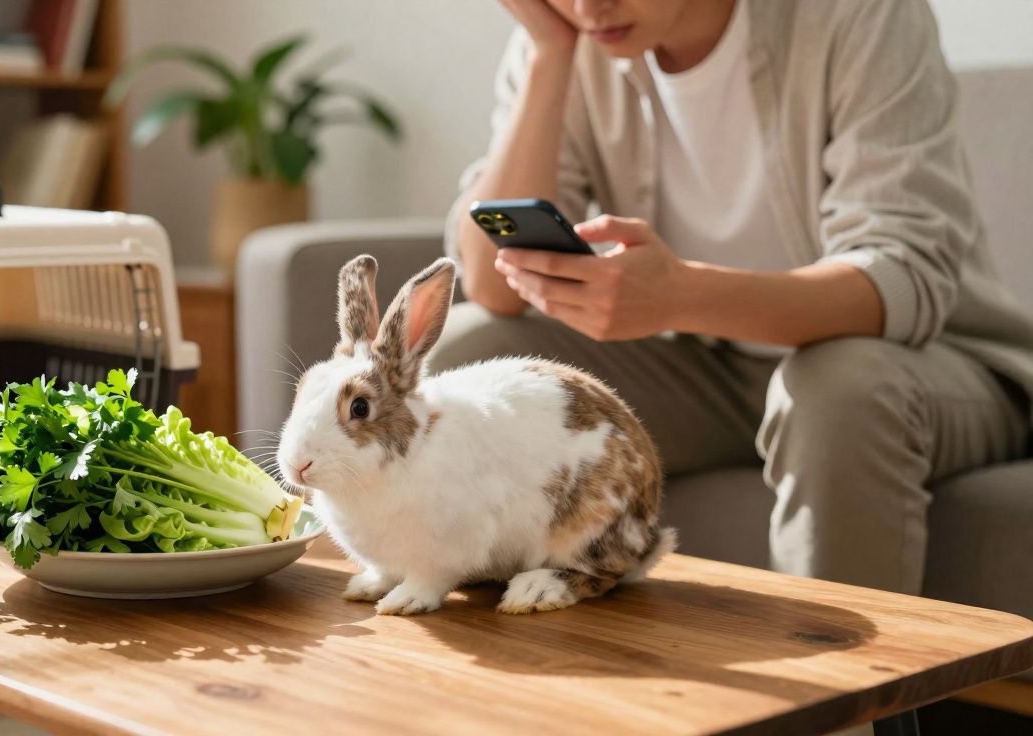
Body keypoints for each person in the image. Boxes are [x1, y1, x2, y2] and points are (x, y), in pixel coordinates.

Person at [434, 0, 1033, 597]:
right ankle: (499, 679)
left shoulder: (863, 14)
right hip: (709, 372)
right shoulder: (577, 35)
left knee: (835, 387)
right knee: (474, 350)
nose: (590, 5)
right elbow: (491, 285)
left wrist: (680, 297)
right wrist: (549, 52)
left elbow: (904, 277)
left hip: (927, 364)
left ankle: (838, 690)